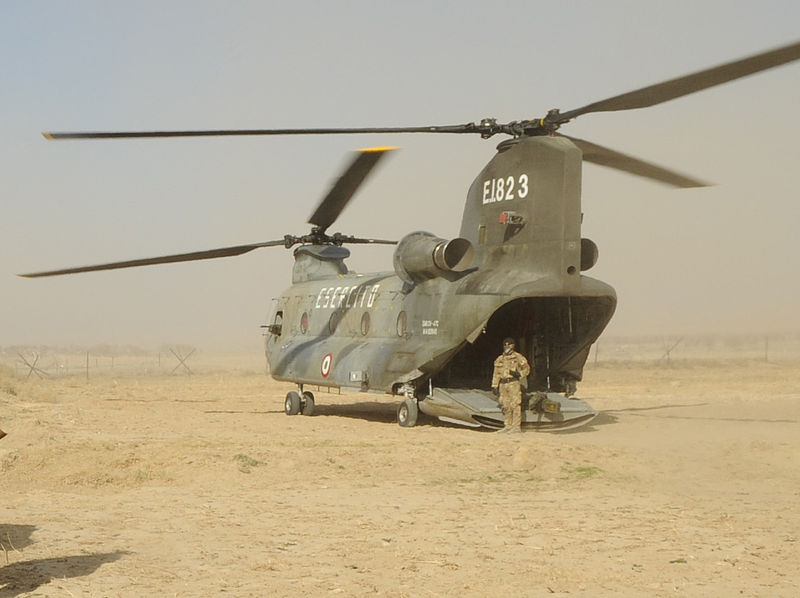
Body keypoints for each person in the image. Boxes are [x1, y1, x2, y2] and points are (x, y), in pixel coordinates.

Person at [491, 338, 531, 433]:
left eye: (510, 344)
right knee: (505, 405)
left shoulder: (518, 357)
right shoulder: (500, 359)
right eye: (505, 344)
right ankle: (507, 426)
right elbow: (496, 373)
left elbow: (527, 369)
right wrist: (494, 385)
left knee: (515, 404)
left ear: (513, 345)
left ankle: (516, 427)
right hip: (503, 384)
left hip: (513, 383)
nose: (507, 346)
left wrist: (519, 374)